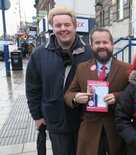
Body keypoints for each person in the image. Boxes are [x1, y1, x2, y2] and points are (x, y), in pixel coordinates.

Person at [25, 6, 93, 155]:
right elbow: (33, 88)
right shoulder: (39, 54)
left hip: (84, 120)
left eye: (67, 25)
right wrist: (37, 116)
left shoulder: (90, 52)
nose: (63, 29)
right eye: (58, 25)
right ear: (52, 28)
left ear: (74, 25)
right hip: (55, 120)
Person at [64, 27, 129, 155]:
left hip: (116, 129)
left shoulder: (126, 68)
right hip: (89, 130)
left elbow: (133, 94)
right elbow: (68, 94)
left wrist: (117, 97)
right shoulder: (82, 68)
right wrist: (76, 97)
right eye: (97, 43)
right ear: (91, 45)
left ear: (112, 44)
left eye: (105, 42)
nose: (101, 46)